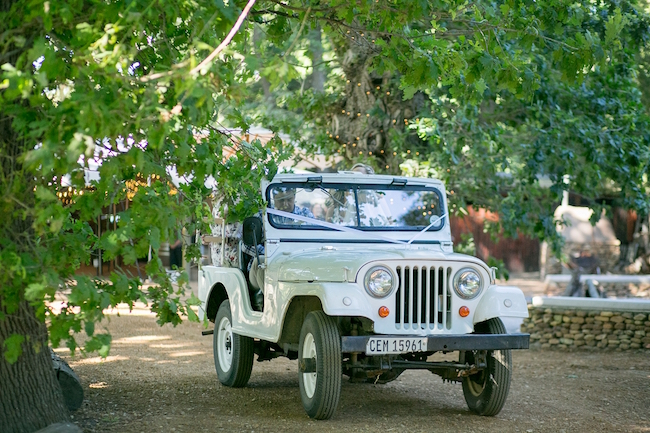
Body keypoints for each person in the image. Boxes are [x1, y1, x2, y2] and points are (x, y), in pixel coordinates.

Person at [246, 188, 314, 294]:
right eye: (281, 200)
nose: (285, 204)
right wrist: (273, 254)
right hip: (266, 266)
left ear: (295, 197)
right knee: (262, 261)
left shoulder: (305, 216)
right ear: (273, 198)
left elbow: (313, 241)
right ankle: (271, 300)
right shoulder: (262, 216)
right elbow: (246, 245)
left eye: (289, 199)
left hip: (297, 263)